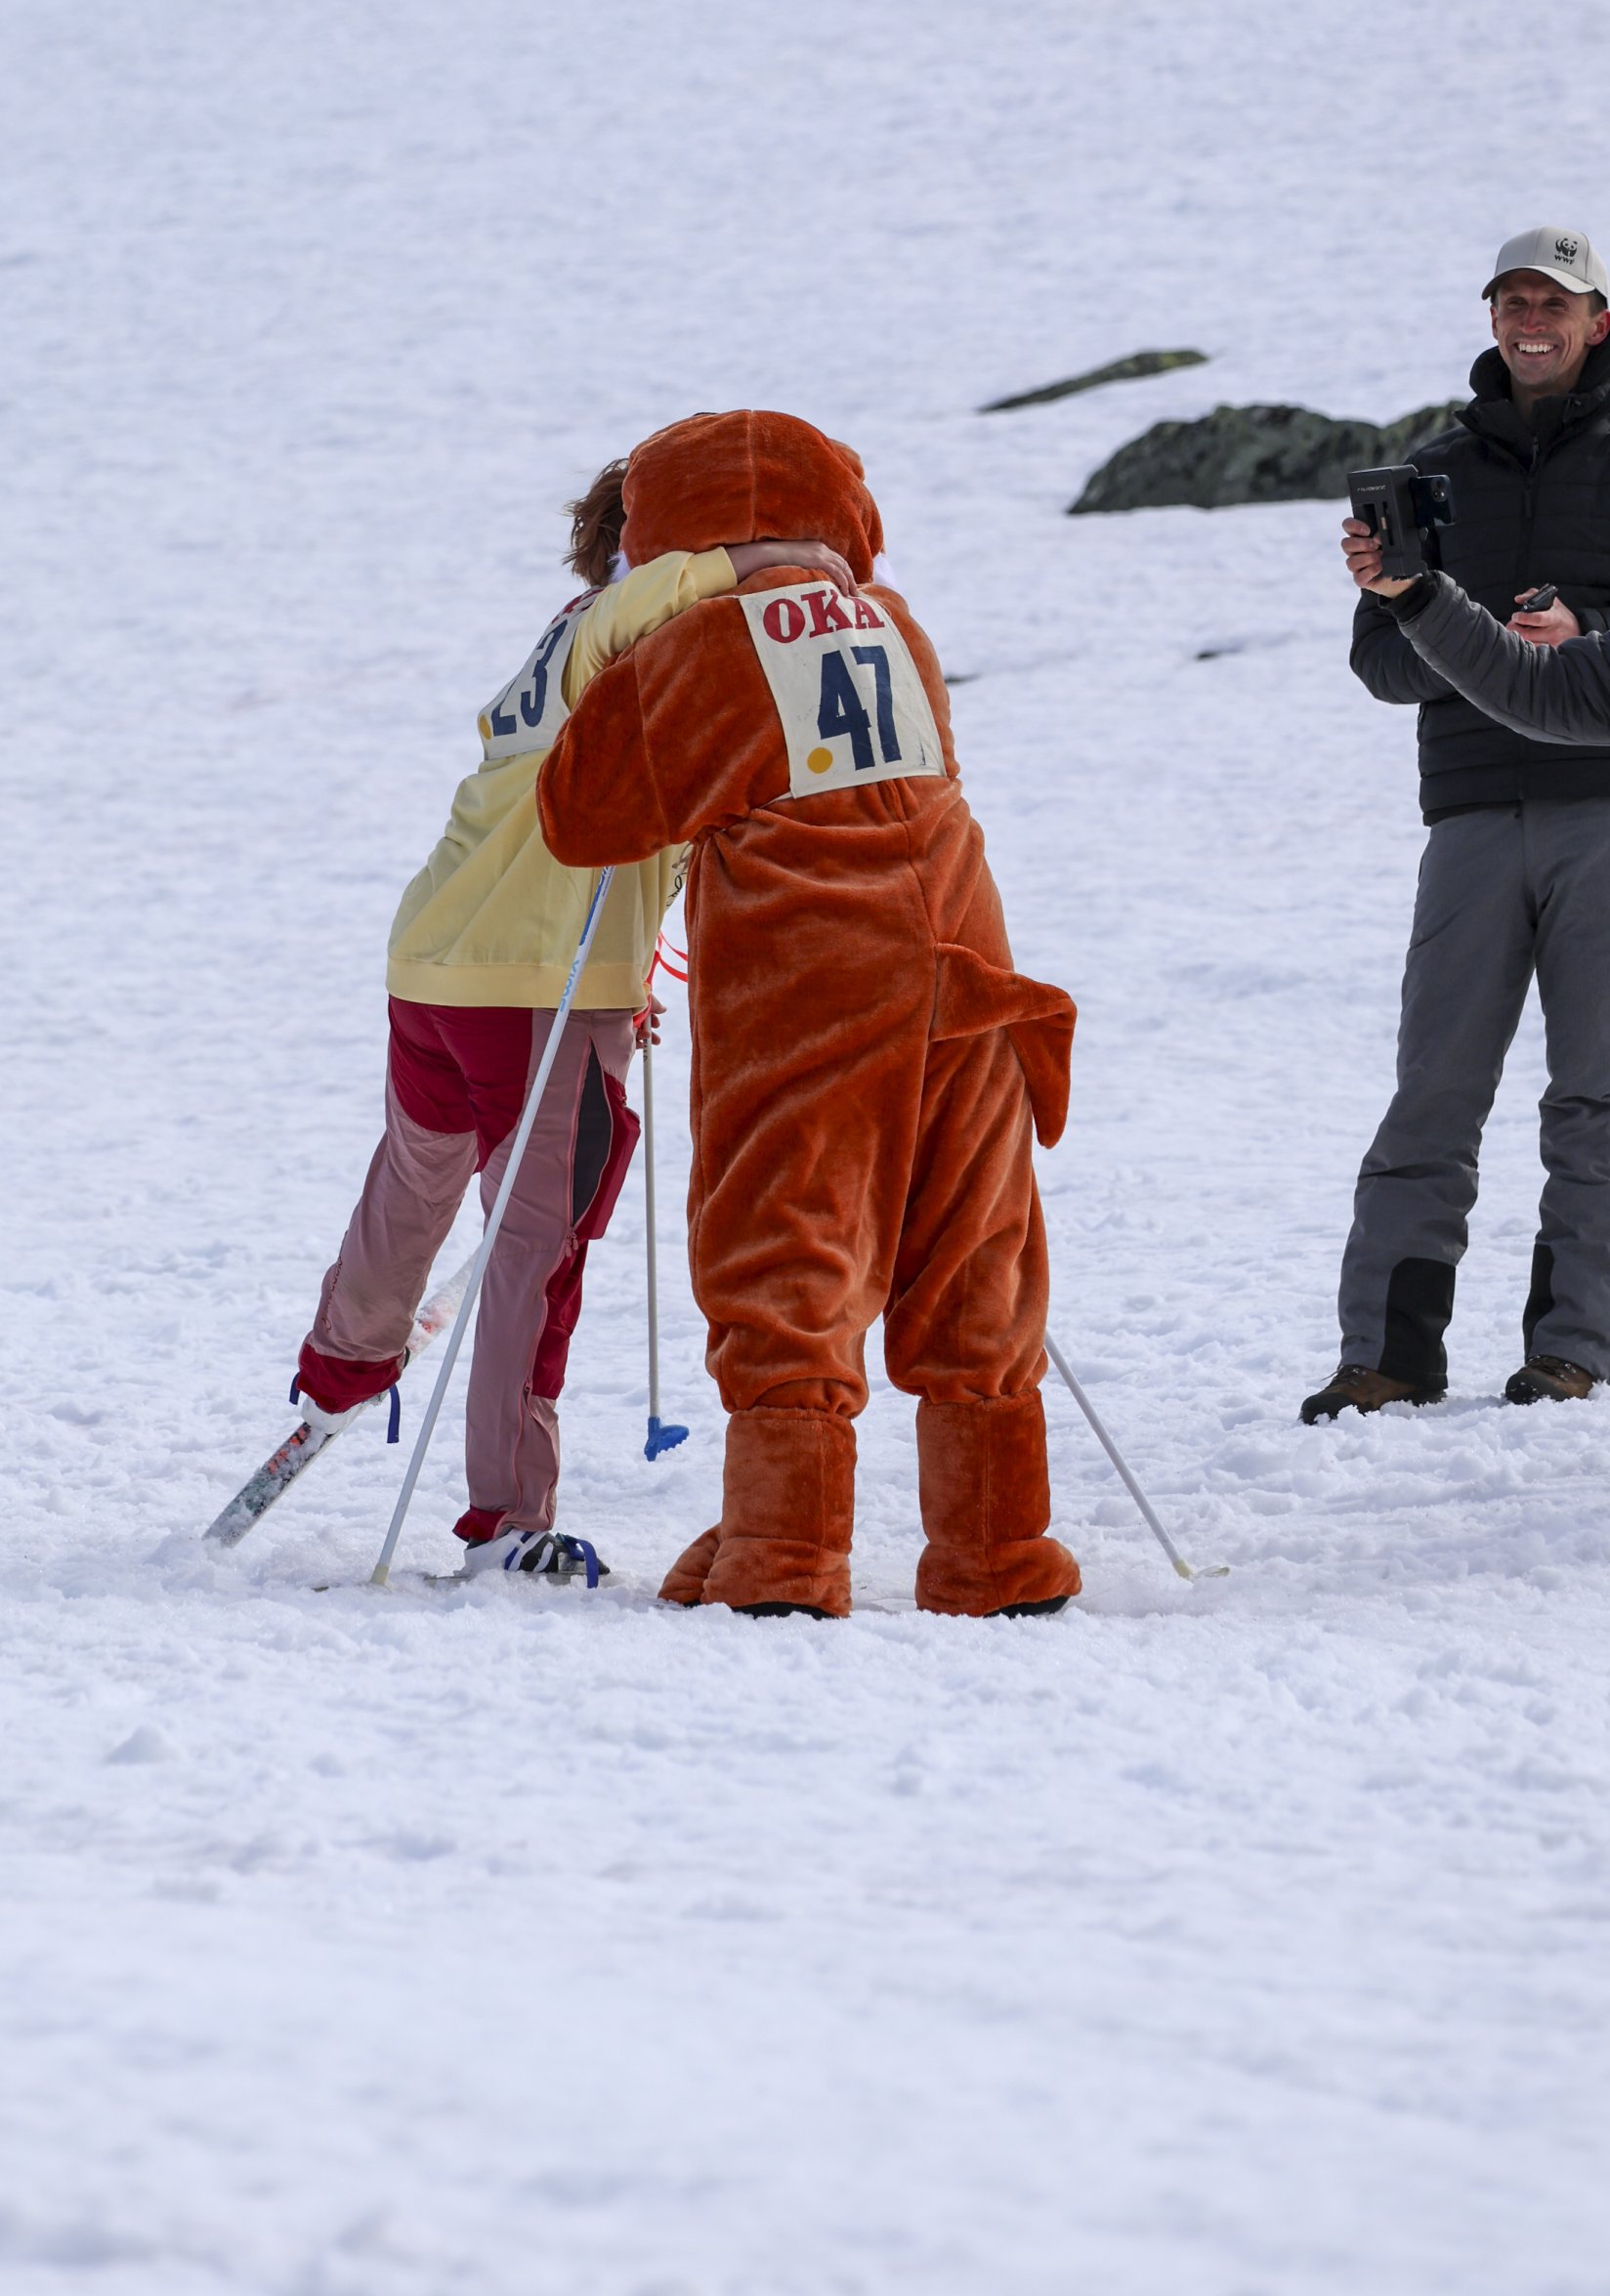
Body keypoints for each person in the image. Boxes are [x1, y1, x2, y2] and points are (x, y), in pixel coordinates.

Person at [537, 409, 1080, 1620]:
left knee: (786, 1247)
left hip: (814, 983)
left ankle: (783, 1553)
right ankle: (996, 1553)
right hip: (964, 966)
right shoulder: (897, 625)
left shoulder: (704, 647)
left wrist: (625, 649)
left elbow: (582, 810)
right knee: (972, 1252)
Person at [289, 459, 859, 1581]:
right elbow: (651, 600)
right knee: (535, 1247)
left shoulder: (563, 637)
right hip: (538, 985)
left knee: (417, 1172)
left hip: (438, 954)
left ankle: (340, 1363)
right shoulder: (627, 624)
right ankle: (505, 1514)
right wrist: (772, 563)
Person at [1311, 225, 1610, 1424]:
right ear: (1490, 317)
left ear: (1599, 320)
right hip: (1474, 811)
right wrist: (1458, 634)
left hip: (1602, 804)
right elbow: (1380, 666)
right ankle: (1387, 1352)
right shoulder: (1433, 467)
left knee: (1593, 1099)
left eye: (1555, 300)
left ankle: (1571, 1346)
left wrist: (1579, 637)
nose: (1528, 319)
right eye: (1511, 300)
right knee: (1430, 1091)